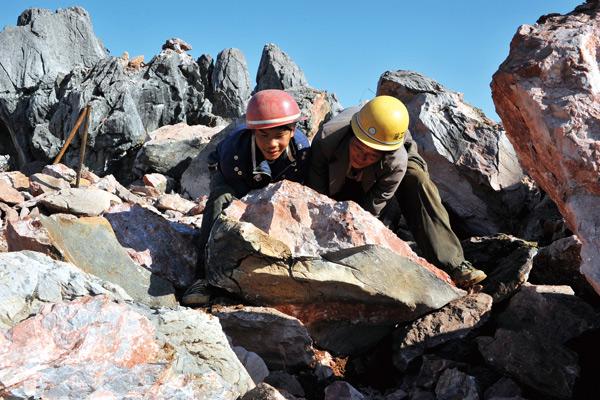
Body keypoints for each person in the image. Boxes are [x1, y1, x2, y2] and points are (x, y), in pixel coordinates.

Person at [307, 95, 486, 288]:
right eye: (358, 148)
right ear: (352, 135)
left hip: (388, 171)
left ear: (384, 154)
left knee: (416, 180)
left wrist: (360, 235)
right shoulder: (327, 139)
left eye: (370, 155)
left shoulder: (396, 162)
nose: (361, 157)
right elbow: (315, 194)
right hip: (341, 171)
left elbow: (371, 209)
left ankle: (453, 264)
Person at [182, 89, 310, 305]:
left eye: (280, 136)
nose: (272, 144)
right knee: (220, 200)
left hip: (275, 181)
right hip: (232, 178)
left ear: (293, 130)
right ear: (252, 131)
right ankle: (202, 276)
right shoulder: (234, 152)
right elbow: (242, 198)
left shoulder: (302, 151)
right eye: (264, 135)